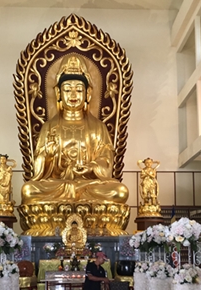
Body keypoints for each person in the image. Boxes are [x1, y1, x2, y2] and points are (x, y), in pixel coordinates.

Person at [21, 54, 129, 205]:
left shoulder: (98, 127)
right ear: (58, 93)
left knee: (119, 191)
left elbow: (106, 159)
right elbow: (38, 167)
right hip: (58, 185)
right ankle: (74, 197)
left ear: (88, 93)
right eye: (67, 89)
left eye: (79, 90)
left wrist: (91, 167)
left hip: (88, 185)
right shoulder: (49, 127)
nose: (73, 94)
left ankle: (73, 197)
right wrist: (48, 156)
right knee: (29, 190)